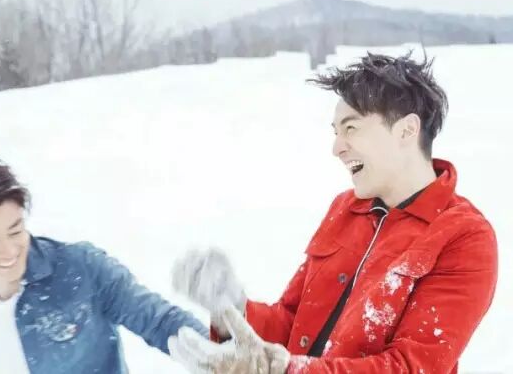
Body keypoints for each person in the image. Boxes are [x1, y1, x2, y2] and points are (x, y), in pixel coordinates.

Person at [169, 53, 498, 374]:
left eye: (351, 128)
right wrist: (234, 309)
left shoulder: (463, 236)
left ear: (406, 131)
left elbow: (412, 367)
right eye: (335, 132)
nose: (337, 147)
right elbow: (293, 324)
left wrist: (283, 369)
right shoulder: (346, 209)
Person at [0, 156, 207, 373]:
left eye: (15, 230)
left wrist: (217, 356)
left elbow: (159, 320)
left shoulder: (81, 269)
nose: (9, 250)